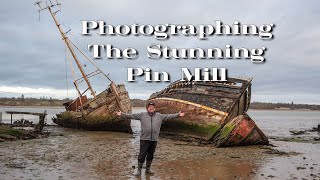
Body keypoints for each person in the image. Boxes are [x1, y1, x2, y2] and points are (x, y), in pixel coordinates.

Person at [116, 102, 185, 176]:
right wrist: (122, 114)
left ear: (154, 108)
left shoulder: (159, 116)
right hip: (144, 139)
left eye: (153, 106)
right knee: (142, 155)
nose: (151, 108)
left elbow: (168, 116)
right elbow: (131, 116)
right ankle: (138, 170)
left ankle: (148, 169)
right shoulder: (142, 115)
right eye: (150, 106)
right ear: (147, 108)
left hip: (154, 139)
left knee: (151, 155)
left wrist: (178, 114)